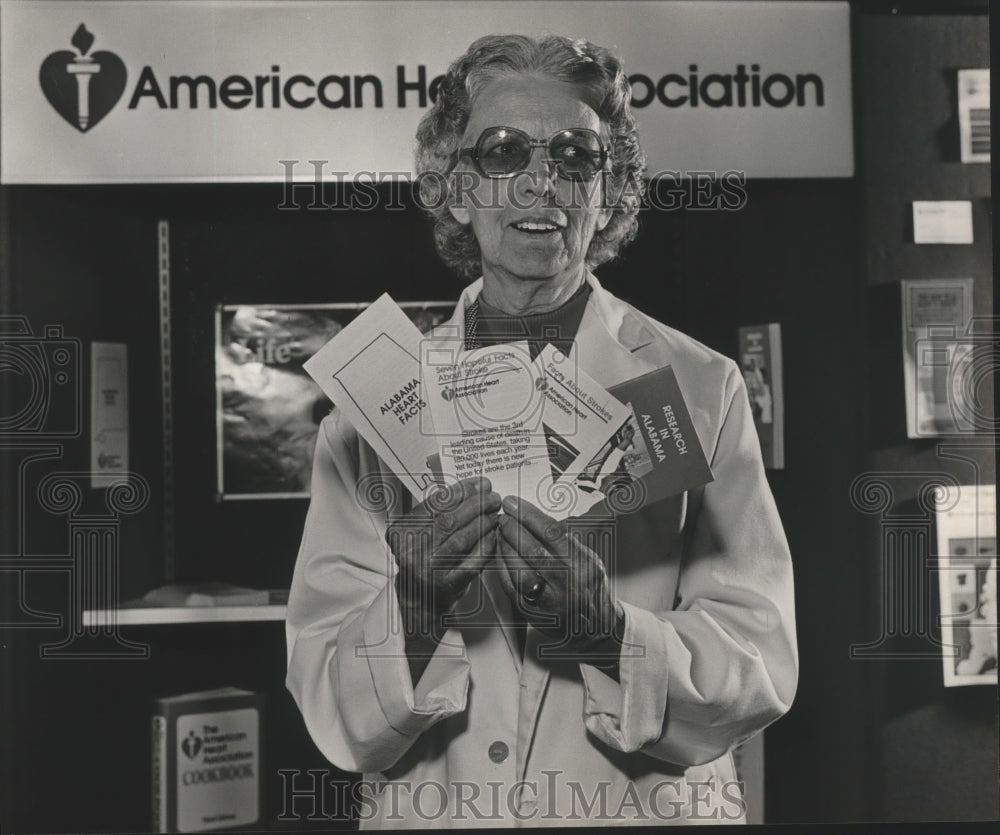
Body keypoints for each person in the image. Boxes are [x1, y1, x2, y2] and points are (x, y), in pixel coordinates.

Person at [286, 33, 797, 827]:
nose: (540, 180)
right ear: (456, 189)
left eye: (575, 154)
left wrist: (609, 631)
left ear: (610, 187)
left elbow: (758, 663)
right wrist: (414, 604)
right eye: (502, 151)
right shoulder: (368, 418)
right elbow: (331, 706)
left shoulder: (699, 389)